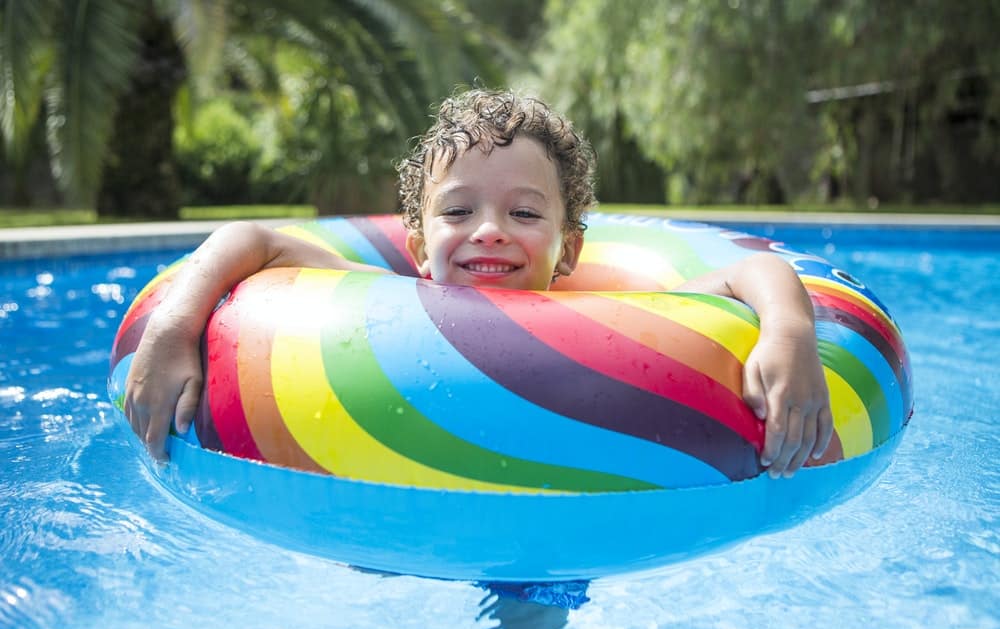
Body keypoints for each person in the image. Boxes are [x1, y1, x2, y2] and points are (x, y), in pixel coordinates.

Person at [123, 88, 832, 478]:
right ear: (419, 248)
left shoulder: (608, 314)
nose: (489, 229)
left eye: (524, 212)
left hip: (572, 487)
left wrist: (791, 332)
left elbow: (753, 270)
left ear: (568, 249)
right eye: (458, 211)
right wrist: (173, 326)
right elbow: (256, 239)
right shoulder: (386, 306)